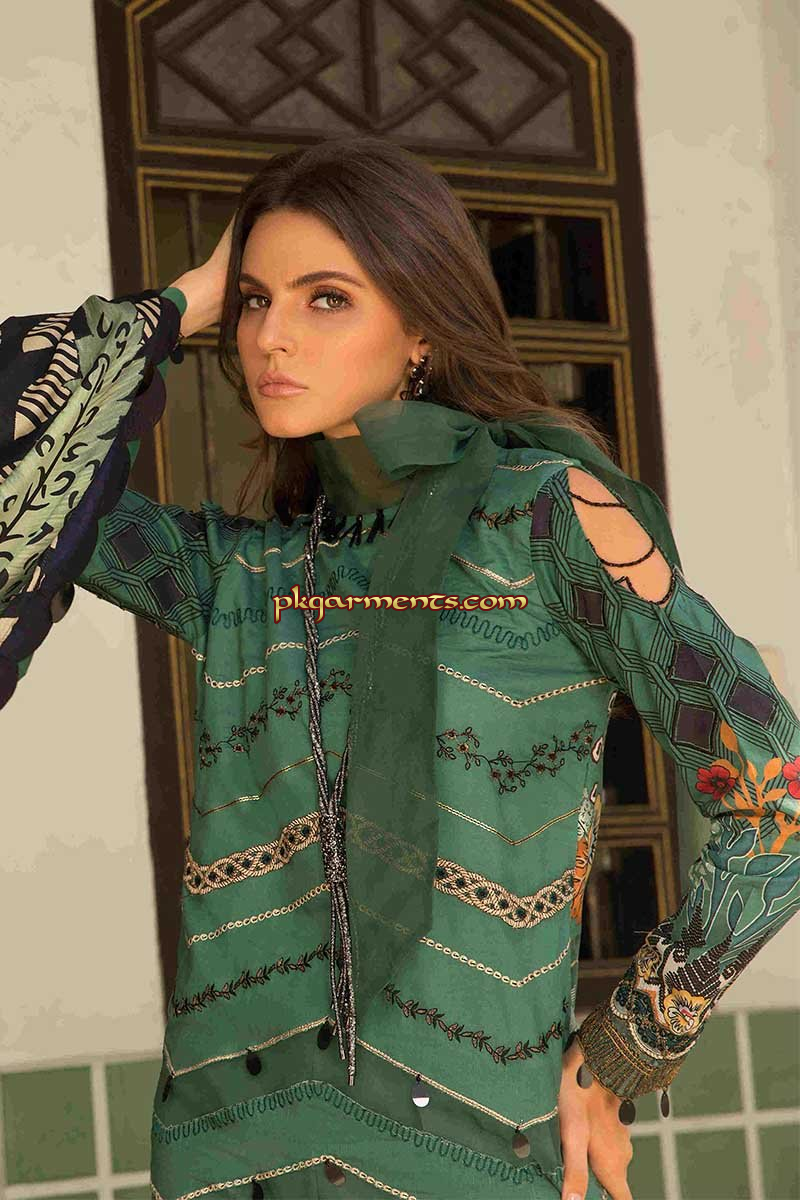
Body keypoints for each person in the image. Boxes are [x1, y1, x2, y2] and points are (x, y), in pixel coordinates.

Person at [1, 135, 799, 1200]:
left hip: (464, 1158)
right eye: (254, 302)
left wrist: (625, 1049)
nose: (270, 336)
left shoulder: (544, 523)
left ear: (421, 326)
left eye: (326, 298)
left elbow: (777, 793)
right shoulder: (243, 574)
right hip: (226, 1160)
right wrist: (176, 307)